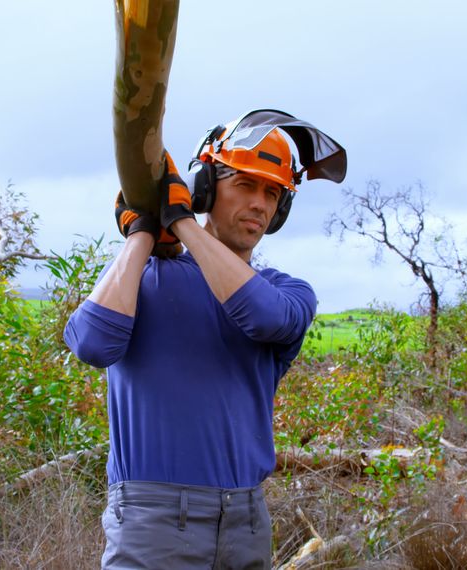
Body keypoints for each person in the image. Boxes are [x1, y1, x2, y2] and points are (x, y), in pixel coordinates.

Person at [64, 109, 346, 569]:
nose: (259, 202)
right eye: (245, 184)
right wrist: (142, 232)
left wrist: (184, 225)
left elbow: (262, 317)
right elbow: (93, 344)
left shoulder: (289, 292)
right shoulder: (144, 277)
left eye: (272, 192)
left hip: (246, 520)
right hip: (152, 519)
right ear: (206, 189)